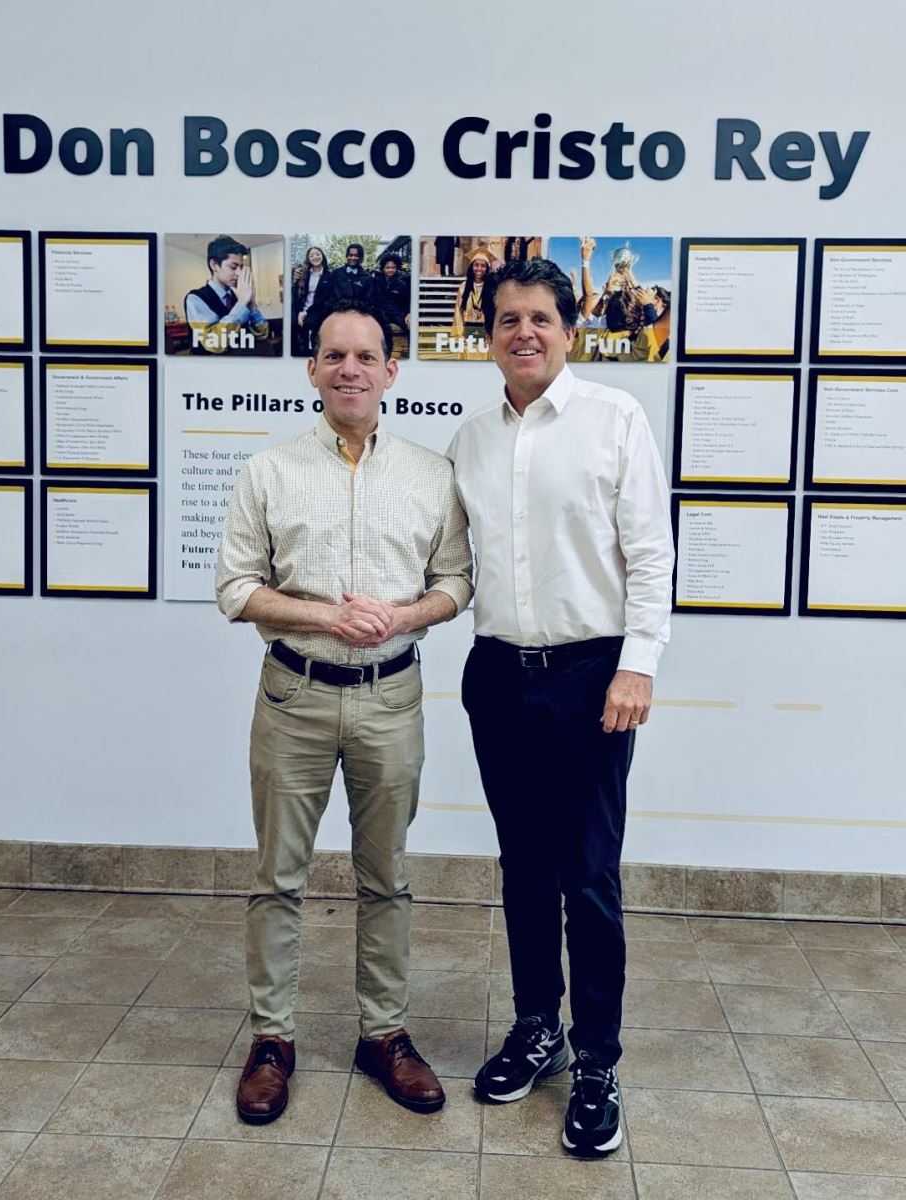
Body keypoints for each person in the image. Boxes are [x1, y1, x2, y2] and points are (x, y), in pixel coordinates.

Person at [216, 299, 473, 1127]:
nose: (350, 369)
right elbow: (235, 589)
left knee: (386, 877)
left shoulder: (432, 475)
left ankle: (384, 1034)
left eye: (366, 356)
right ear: (313, 369)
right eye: (335, 356)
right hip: (292, 695)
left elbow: (457, 582)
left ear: (393, 370)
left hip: (391, 696)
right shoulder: (268, 472)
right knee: (277, 877)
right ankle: (272, 1040)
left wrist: (401, 617)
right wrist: (327, 616)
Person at [447, 258, 673, 1158]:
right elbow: (454, 565)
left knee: (589, 875)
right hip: (500, 677)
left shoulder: (615, 419)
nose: (524, 333)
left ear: (569, 330)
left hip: (592, 678)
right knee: (524, 869)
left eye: (541, 317)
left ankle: (598, 1062)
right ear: (489, 337)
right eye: (507, 319)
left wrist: (637, 666)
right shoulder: (471, 438)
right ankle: (538, 1026)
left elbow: (650, 555)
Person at [185, 235, 273, 355]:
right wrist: (242, 303)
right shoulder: (195, 298)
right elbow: (214, 343)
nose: (238, 273)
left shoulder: (237, 297)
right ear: (214, 265)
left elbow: (262, 334)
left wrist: (251, 303)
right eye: (233, 267)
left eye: (240, 267)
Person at [291, 245, 333, 356]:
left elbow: (323, 299)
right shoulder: (303, 274)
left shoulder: (329, 276)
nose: (315, 257)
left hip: (317, 311)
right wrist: (300, 312)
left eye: (318, 254)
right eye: (312, 255)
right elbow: (296, 295)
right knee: (292, 326)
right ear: (308, 259)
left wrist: (306, 312)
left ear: (322, 256)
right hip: (301, 310)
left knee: (311, 334)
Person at [450, 247, 494, 336]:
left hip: (486, 333)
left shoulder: (491, 287)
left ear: (487, 269)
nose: (479, 269)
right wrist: (459, 335)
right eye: (476, 265)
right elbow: (458, 312)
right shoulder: (464, 287)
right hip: (467, 332)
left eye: (483, 266)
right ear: (471, 267)